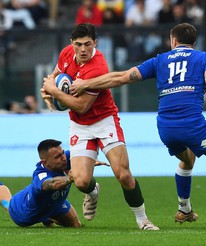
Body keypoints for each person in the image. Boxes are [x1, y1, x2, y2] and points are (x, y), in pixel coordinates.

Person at [70, 23, 206, 230]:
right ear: (193, 42)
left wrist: (85, 83)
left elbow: (122, 77)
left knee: (187, 159)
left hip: (166, 128)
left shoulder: (160, 60)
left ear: (173, 41)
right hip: (192, 124)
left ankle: (184, 209)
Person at [40, 23, 159, 231]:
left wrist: (55, 92)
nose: (83, 49)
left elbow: (82, 105)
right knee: (80, 181)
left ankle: (143, 220)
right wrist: (48, 91)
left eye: (87, 44)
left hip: (104, 121)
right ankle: (93, 191)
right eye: (78, 44)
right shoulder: (67, 53)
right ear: (72, 43)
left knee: (123, 174)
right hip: (80, 125)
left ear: (95, 42)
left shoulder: (98, 67)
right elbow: (55, 77)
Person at [0, 139, 107, 228]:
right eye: (57, 156)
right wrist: (69, 179)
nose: (63, 157)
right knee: (7, 203)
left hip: (56, 204)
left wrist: (88, 162)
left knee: (76, 226)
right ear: (45, 162)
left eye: (62, 153)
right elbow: (51, 184)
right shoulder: (40, 175)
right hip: (25, 213)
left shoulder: (66, 158)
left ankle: (49, 218)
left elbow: (81, 155)